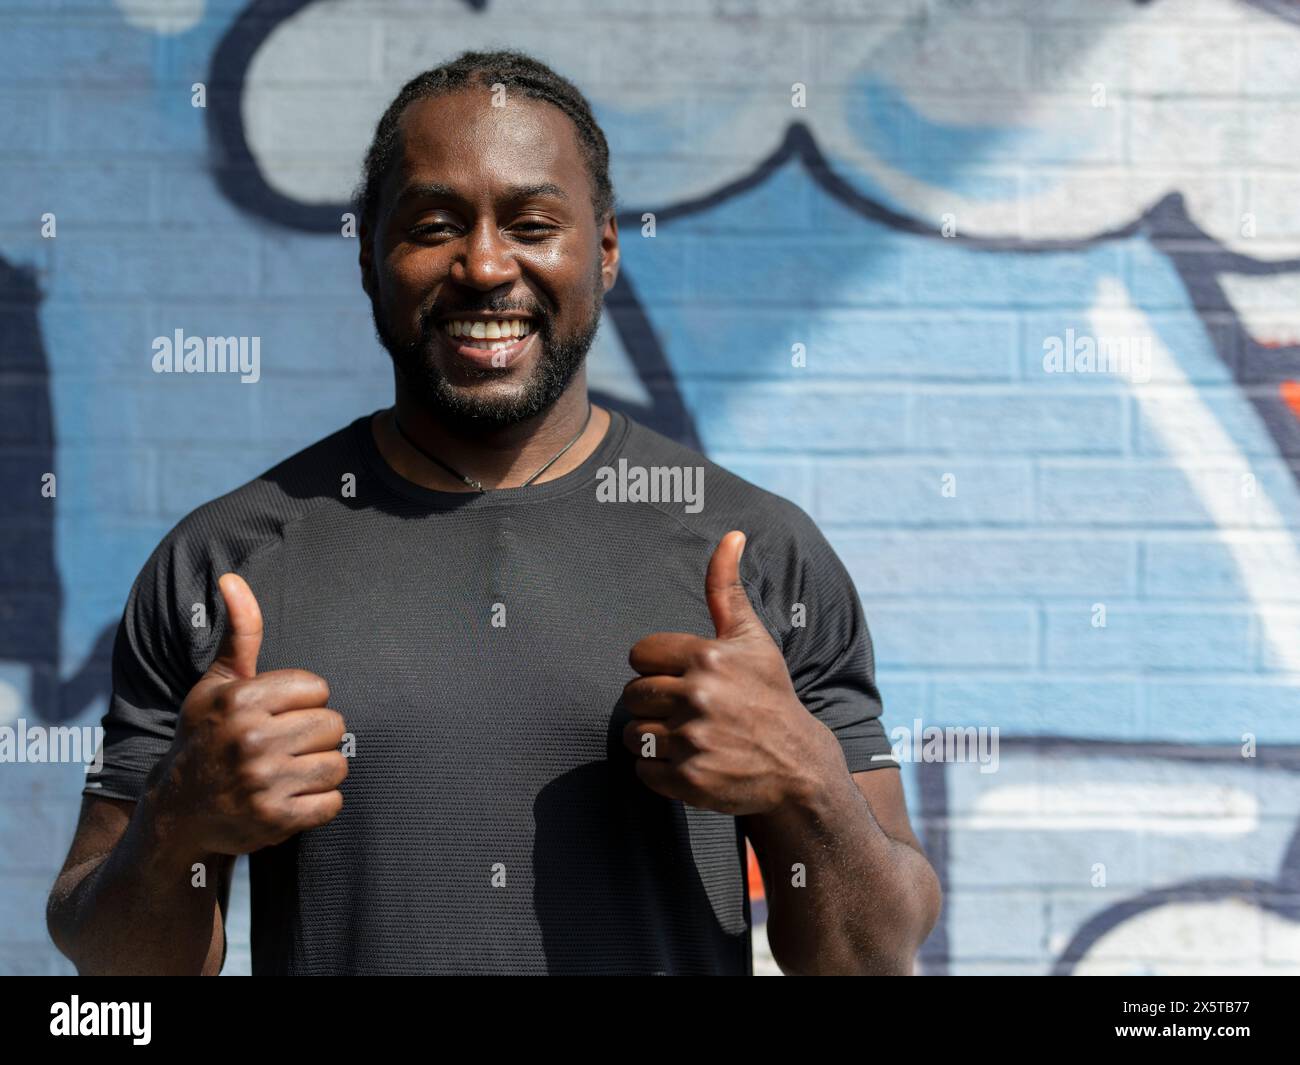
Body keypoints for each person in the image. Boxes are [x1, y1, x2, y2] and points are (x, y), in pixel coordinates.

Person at [47, 50, 940, 975]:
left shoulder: (758, 557)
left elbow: (873, 958)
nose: (483, 264)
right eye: (435, 225)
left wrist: (808, 783)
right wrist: (176, 825)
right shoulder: (221, 565)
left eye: (532, 223)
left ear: (603, 251)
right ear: (368, 258)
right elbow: (114, 967)